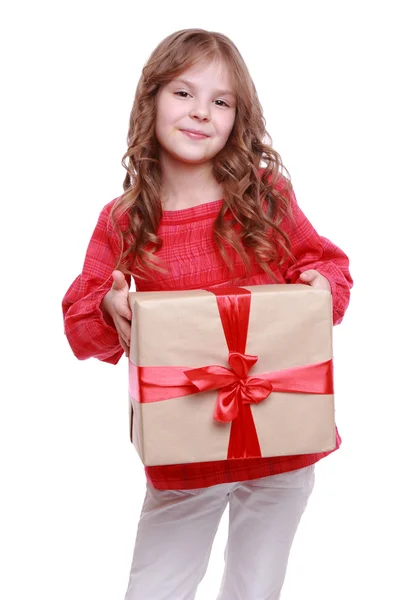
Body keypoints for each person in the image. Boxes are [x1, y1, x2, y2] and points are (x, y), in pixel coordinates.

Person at [62, 28, 352, 600]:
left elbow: (328, 265)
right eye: (183, 93)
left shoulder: (265, 196)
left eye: (221, 101)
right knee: (156, 588)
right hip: (186, 455)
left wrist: (323, 285)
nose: (200, 113)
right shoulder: (124, 220)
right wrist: (111, 305)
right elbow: (79, 322)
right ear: (150, 101)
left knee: (255, 589)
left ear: (238, 119)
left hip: (283, 447)